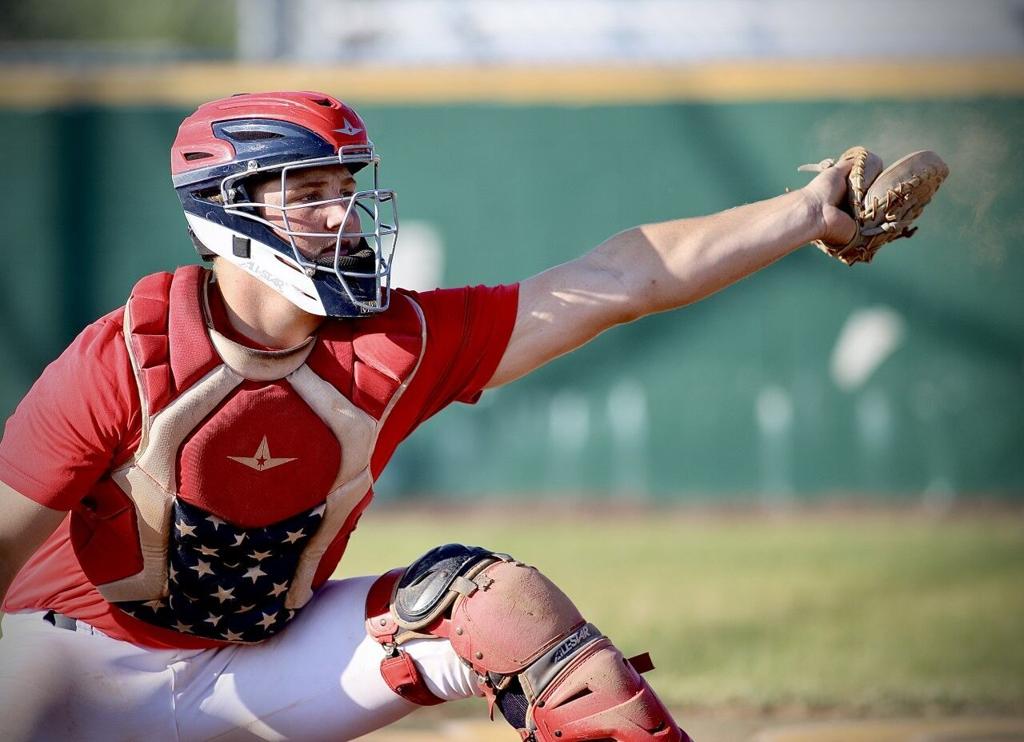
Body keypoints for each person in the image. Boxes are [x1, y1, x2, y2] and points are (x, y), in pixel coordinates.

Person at [0, 91, 857, 741]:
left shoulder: (396, 342)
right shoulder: (127, 360)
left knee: (495, 604)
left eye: (347, 188)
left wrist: (808, 213)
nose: (343, 218)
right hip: (72, 670)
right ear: (227, 213)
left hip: (261, 662)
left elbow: (621, 279)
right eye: (310, 194)